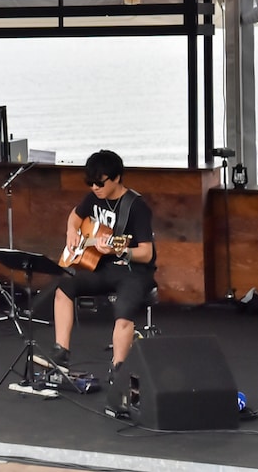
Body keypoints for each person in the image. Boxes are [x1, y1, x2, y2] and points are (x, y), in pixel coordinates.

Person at [51, 149, 157, 399]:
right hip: (100, 266)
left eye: (100, 182)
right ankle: (61, 354)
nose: (95, 187)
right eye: (90, 183)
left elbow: (146, 253)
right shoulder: (92, 198)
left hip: (133, 270)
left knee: (123, 312)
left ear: (117, 178)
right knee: (64, 288)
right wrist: (71, 232)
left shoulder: (137, 207)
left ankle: (118, 369)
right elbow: (75, 217)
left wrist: (122, 251)